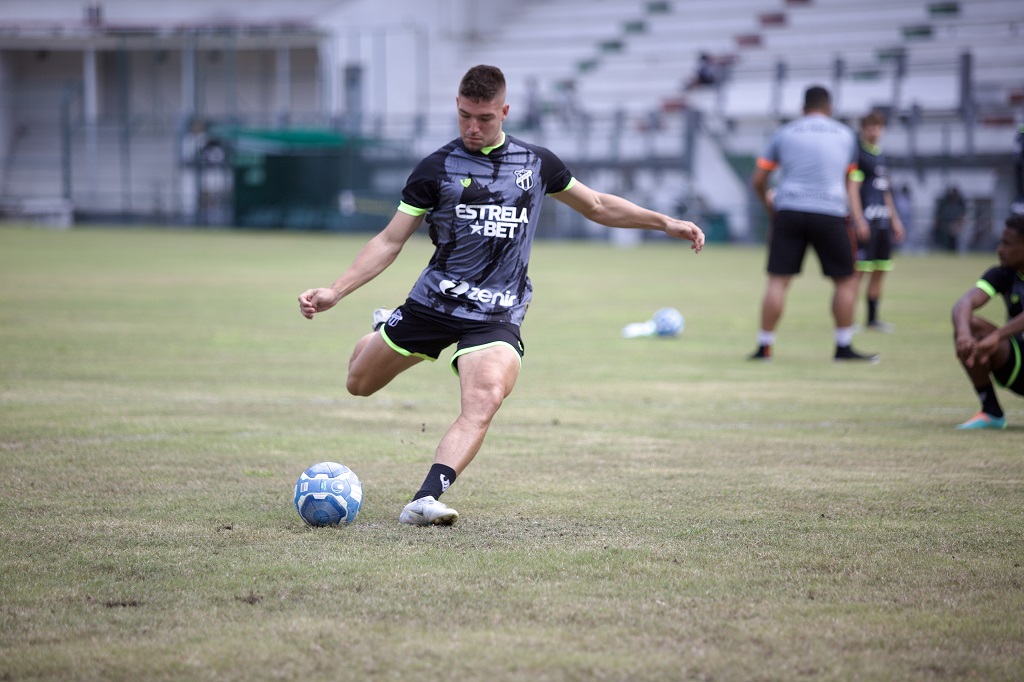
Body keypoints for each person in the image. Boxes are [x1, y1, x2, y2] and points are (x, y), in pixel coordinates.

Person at [298, 65, 705, 526]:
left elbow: (596, 205)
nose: (473, 127)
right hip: (434, 304)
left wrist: (664, 222)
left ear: (505, 111)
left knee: (486, 396)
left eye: (485, 118)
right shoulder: (436, 168)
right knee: (359, 384)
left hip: (497, 311)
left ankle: (425, 499)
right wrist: (336, 290)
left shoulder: (537, 163)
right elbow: (391, 241)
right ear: (457, 106)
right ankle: (380, 329)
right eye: (465, 116)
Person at [749, 84, 878, 362]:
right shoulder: (845, 135)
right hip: (831, 212)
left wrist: (769, 204)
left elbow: (758, 179)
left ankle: (765, 347)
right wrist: (858, 219)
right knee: (846, 281)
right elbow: (851, 183)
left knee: (778, 280)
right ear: (829, 108)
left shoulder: (785, 133)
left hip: (790, 210)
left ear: (802, 108)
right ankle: (843, 346)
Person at [951, 214, 1024, 429]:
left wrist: (998, 336)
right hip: (1020, 365)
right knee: (970, 325)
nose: (999, 249)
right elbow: (964, 303)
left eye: (1007, 244)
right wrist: (964, 335)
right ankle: (991, 412)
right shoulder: (1004, 274)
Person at [847, 110, 905, 332]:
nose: (874, 131)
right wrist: (859, 219)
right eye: (869, 127)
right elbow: (853, 189)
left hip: (883, 223)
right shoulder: (858, 155)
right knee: (858, 273)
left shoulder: (882, 156)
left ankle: (872, 319)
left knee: (880, 270)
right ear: (863, 130)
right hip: (867, 222)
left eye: (878, 127)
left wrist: (895, 220)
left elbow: (886, 191)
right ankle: (849, 320)